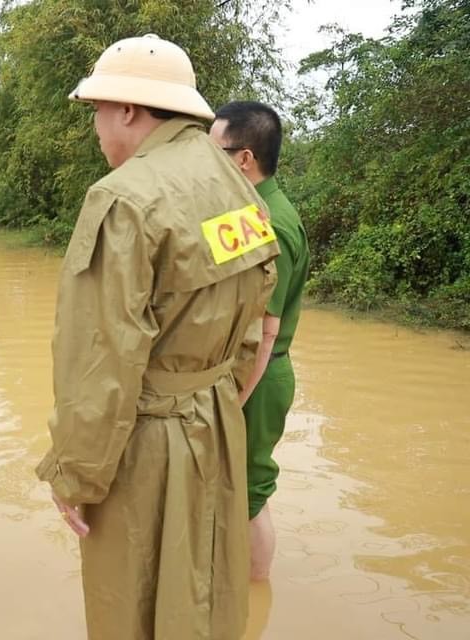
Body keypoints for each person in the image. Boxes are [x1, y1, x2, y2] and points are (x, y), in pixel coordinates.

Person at [35, 35, 280, 639]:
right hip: (219, 419)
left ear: (128, 109)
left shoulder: (123, 198)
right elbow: (254, 322)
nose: (95, 126)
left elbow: (99, 359)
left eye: (97, 109)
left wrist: (75, 475)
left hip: (144, 438)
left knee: (132, 601)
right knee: (206, 593)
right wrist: (215, 400)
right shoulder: (237, 186)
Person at [211, 101, 311, 581]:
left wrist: (233, 402)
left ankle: (255, 597)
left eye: (216, 154)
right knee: (229, 488)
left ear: (244, 159)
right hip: (246, 370)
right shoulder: (252, 212)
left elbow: (265, 332)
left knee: (250, 491)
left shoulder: (269, 223)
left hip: (259, 374)